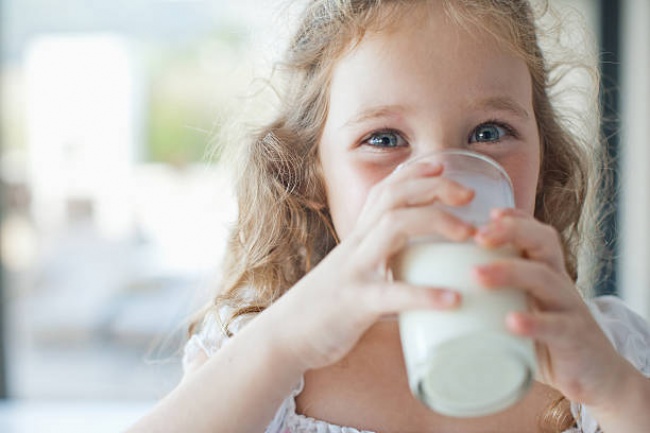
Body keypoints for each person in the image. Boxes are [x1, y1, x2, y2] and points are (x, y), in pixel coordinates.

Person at [127, 1, 650, 432]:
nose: (443, 183)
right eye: (383, 140)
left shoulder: (606, 352)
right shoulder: (260, 367)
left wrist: (614, 390)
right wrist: (283, 343)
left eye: (489, 133)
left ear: (545, 153)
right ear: (312, 175)